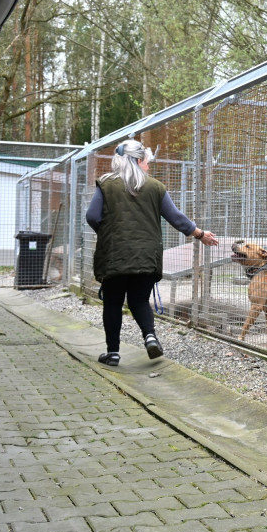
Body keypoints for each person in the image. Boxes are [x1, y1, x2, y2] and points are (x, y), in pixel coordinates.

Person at [86, 139, 218, 366]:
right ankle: (150, 337)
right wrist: (200, 234)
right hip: (147, 256)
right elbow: (176, 217)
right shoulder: (155, 187)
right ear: (137, 161)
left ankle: (113, 353)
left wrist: (109, 234)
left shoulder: (106, 184)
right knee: (139, 300)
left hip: (114, 256)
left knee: (113, 303)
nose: (148, 167)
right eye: (146, 162)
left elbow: (92, 216)